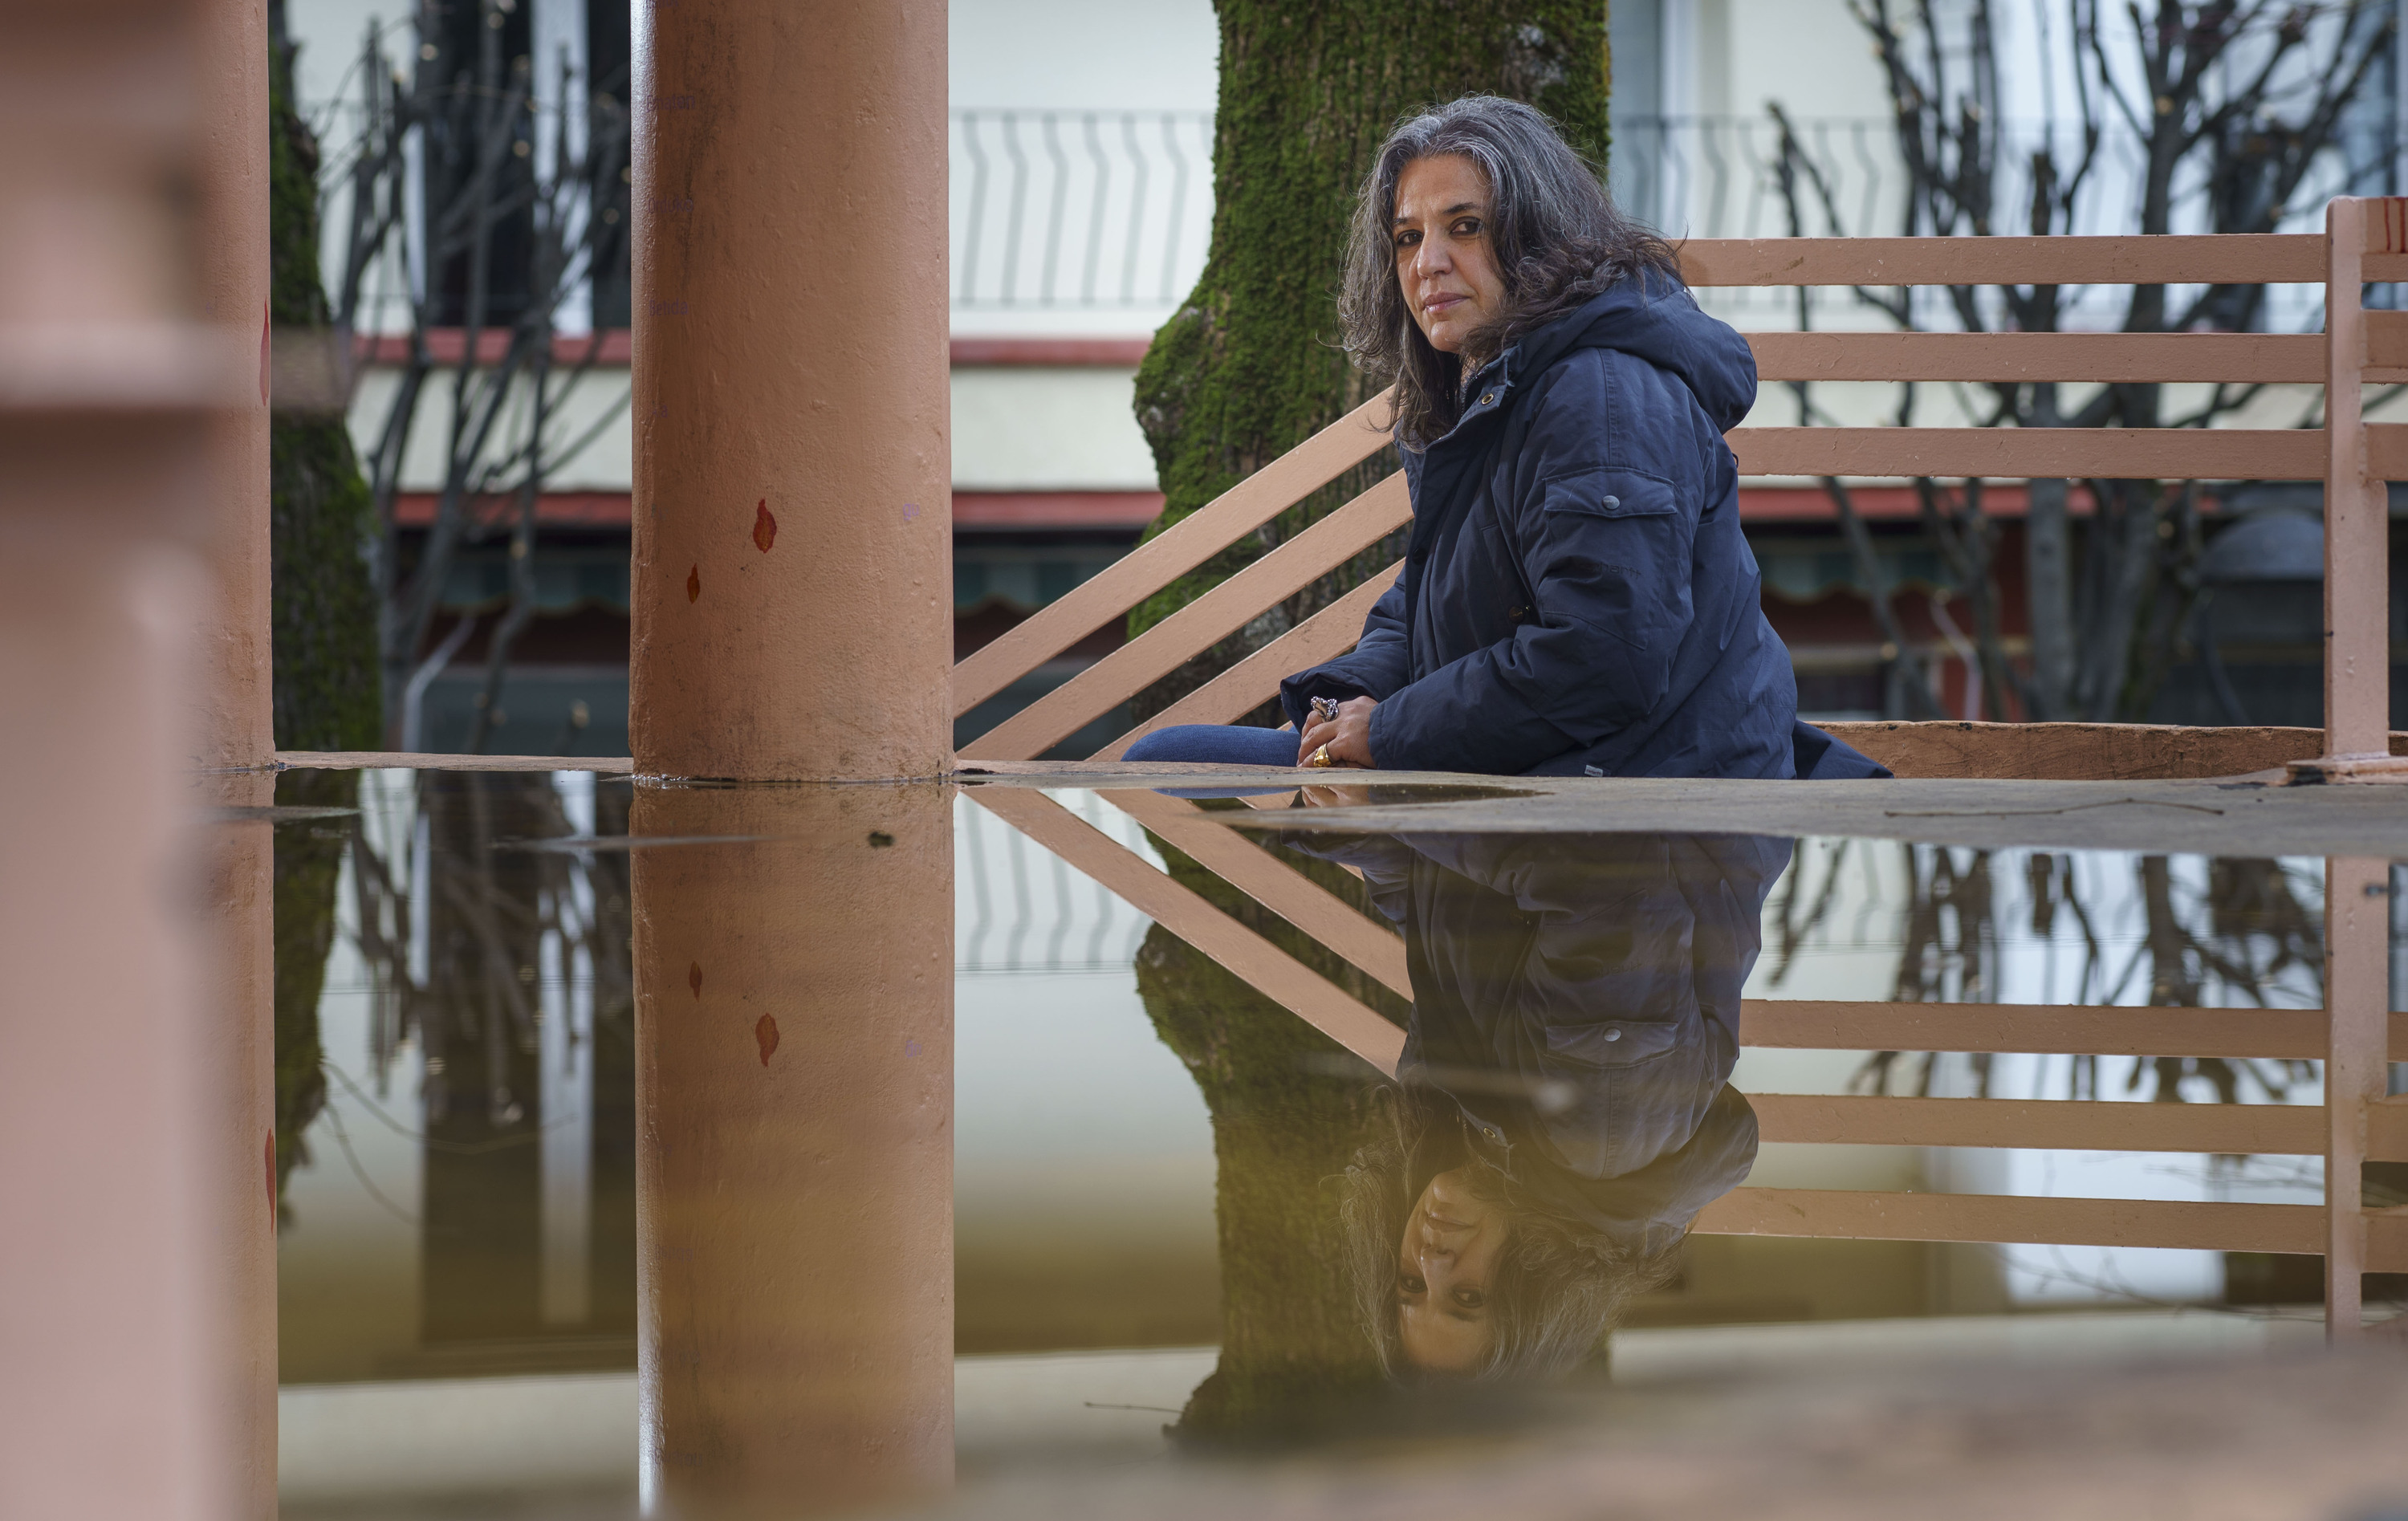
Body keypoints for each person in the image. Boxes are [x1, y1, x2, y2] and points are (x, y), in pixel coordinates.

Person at [1124, 96, 1885, 782]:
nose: (1428, 264)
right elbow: (1428, 601)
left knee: (1169, 773)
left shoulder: (1600, 393)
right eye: (1407, 237)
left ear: (1539, 236)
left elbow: (1605, 658)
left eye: (1465, 227)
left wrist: (1386, 731)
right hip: (1531, 763)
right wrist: (1353, 697)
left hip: (1641, 806)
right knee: (1165, 765)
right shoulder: (1494, 389)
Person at [1279, 823, 1790, 1381]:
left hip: (1539, 774)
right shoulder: (1595, 1129)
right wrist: (1411, 801)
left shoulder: (1468, 1131)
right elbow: (1605, 868)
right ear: (1536, 1284)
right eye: (1469, 1295)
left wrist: (1353, 827)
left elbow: (1442, 911)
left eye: (1409, 1285)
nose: (1429, 1260)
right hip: (1657, 762)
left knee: (1182, 763)